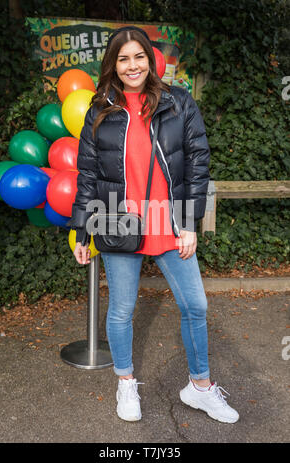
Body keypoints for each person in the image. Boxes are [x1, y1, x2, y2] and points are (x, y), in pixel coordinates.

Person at [68, 25, 239, 424]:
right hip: (118, 222)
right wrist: (81, 229)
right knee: (122, 309)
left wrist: (190, 222)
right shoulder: (99, 111)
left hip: (169, 222)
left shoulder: (178, 102)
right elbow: (87, 174)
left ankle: (199, 387)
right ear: (113, 64)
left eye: (139, 57)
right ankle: (125, 382)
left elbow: (198, 162)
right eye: (123, 58)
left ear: (150, 59)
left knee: (195, 305)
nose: (132, 66)